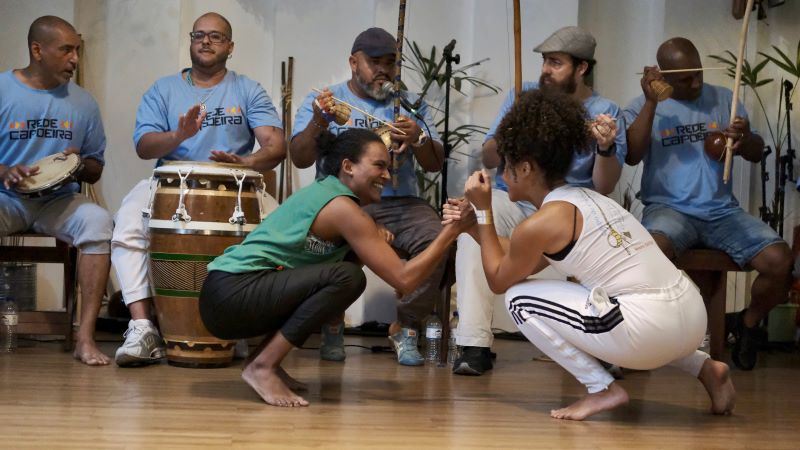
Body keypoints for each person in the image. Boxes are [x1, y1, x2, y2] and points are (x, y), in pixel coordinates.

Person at [444, 89, 736, 421]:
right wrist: (473, 226)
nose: (501, 175)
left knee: (519, 299)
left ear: (525, 168)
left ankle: (601, 389)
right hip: (691, 319)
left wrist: (484, 212)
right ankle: (706, 368)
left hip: (651, 331)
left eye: (506, 166)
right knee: (608, 300)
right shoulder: (583, 198)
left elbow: (499, 279)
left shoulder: (543, 222)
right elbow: (518, 256)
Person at [200, 128, 464, 407]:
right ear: (348, 167)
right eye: (379, 166)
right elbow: (404, 280)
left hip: (228, 295)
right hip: (230, 292)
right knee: (347, 278)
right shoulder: (341, 208)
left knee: (347, 273)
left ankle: (264, 363)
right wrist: (451, 231)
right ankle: (262, 367)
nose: (387, 176)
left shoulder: (332, 196)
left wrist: (365, 241)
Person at [110, 12, 285, 367]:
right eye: (199, 35)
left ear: (230, 47)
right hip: (170, 182)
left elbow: (276, 146)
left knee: (285, 235)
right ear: (190, 42)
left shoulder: (247, 89)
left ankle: (249, 328)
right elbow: (144, 146)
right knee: (127, 223)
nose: (206, 41)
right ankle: (143, 327)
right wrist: (180, 136)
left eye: (216, 37)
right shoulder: (163, 89)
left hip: (237, 183)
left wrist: (246, 163)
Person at [453, 26, 627, 375]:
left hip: (566, 212)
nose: (546, 70)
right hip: (514, 201)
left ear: (581, 68)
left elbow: (604, 185)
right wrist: (514, 130)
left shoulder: (605, 110)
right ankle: (473, 345)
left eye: (556, 63)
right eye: (545, 61)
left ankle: (605, 346)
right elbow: (489, 157)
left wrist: (604, 146)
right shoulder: (523, 94)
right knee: (473, 222)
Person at [624, 37, 793, 370]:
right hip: (668, 209)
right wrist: (650, 103)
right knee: (649, 252)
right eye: (686, 79)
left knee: (780, 259)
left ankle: (746, 323)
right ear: (665, 78)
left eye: (699, 73)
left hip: (721, 211)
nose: (697, 83)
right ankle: (639, 338)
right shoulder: (645, 104)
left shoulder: (724, 99)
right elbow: (631, 155)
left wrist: (745, 141)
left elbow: (758, 152)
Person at [291, 28, 445, 366]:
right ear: (353, 62)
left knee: (438, 240)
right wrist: (319, 121)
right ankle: (332, 323)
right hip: (342, 202)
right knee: (336, 242)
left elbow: (434, 165)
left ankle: (404, 327)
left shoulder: (410, 104)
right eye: (374, 62)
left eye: (389, 63)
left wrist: (418, 138)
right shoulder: (327, 101)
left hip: (400, 201)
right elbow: (299, 158)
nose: (383, 71)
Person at [0, 16, 112, 366]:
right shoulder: (3, 90)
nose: (75, 59)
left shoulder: (84, 103)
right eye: (66, 49)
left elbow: (95, 169)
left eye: (76, 50)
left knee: (98, 222)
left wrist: (77, 165)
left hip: (58, 202)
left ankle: (85, 338)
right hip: (7, 199)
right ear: (37, 50)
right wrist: (4, 170)